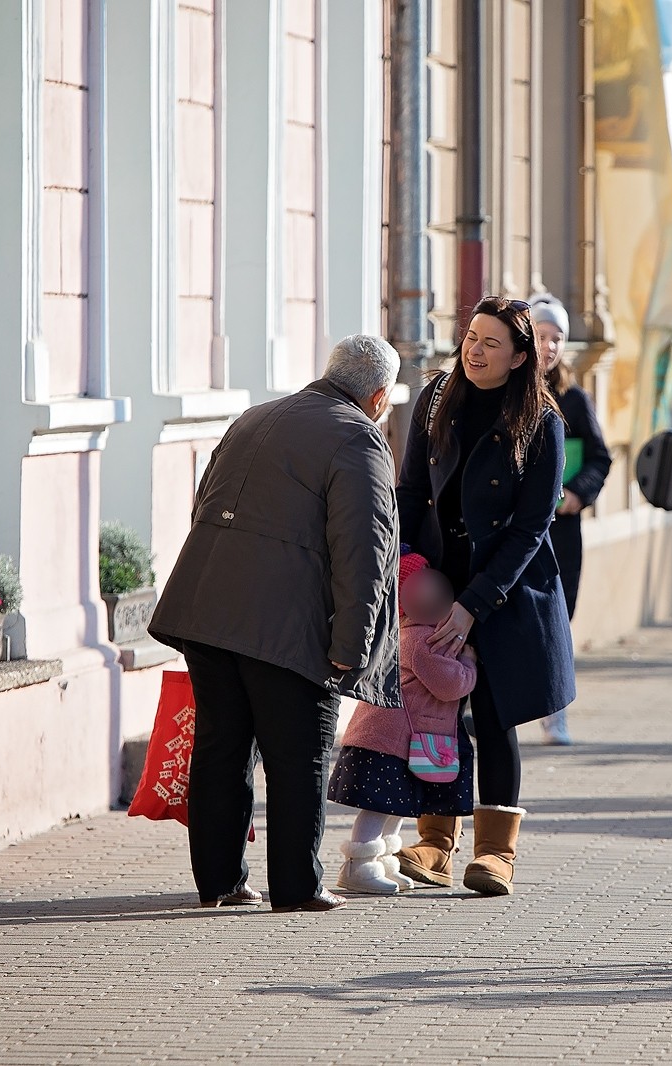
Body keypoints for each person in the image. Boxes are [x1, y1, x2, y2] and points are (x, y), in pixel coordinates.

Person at [148, 334, 403, 912]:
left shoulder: (255, 416)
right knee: (299, 757)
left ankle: (220, 882)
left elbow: (204, 507)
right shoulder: (359, 438)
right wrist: (352, 645)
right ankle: (297, 887)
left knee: (220, 749)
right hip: (287, 628)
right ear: (380, 395)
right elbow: (364, 552)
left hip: (209, 610)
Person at [392, 295, 576, 897]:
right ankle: (435, 841)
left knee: (494, 718)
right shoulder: (436, 399)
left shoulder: (542, 422)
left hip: (501, 590)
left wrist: (473, 604)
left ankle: (496, 853)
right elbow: (412, 489)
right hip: (435, 584)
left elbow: (530, 529)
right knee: (434, 717)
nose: (475, 349)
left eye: (492, 342)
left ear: (521, 356)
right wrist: (411, 571)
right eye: (471, 337)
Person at [328, 552, 478, 894]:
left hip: (395, 741)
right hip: (387, 743)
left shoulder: (411, 635)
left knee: (396, 805)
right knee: (378, 807)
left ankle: (383, 861)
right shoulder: (420, 641)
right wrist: (469, 666)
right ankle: (358, 865)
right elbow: (448, 684)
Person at [528, 294, 613, 746]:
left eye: (557, 338)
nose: (549, 346)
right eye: (541, 336)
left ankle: (555, 712)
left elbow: (599, 457)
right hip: (518, 528)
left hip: (561, 530)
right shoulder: (508, 394)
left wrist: (579, 492)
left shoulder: (574, 400)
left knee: (559, 618)